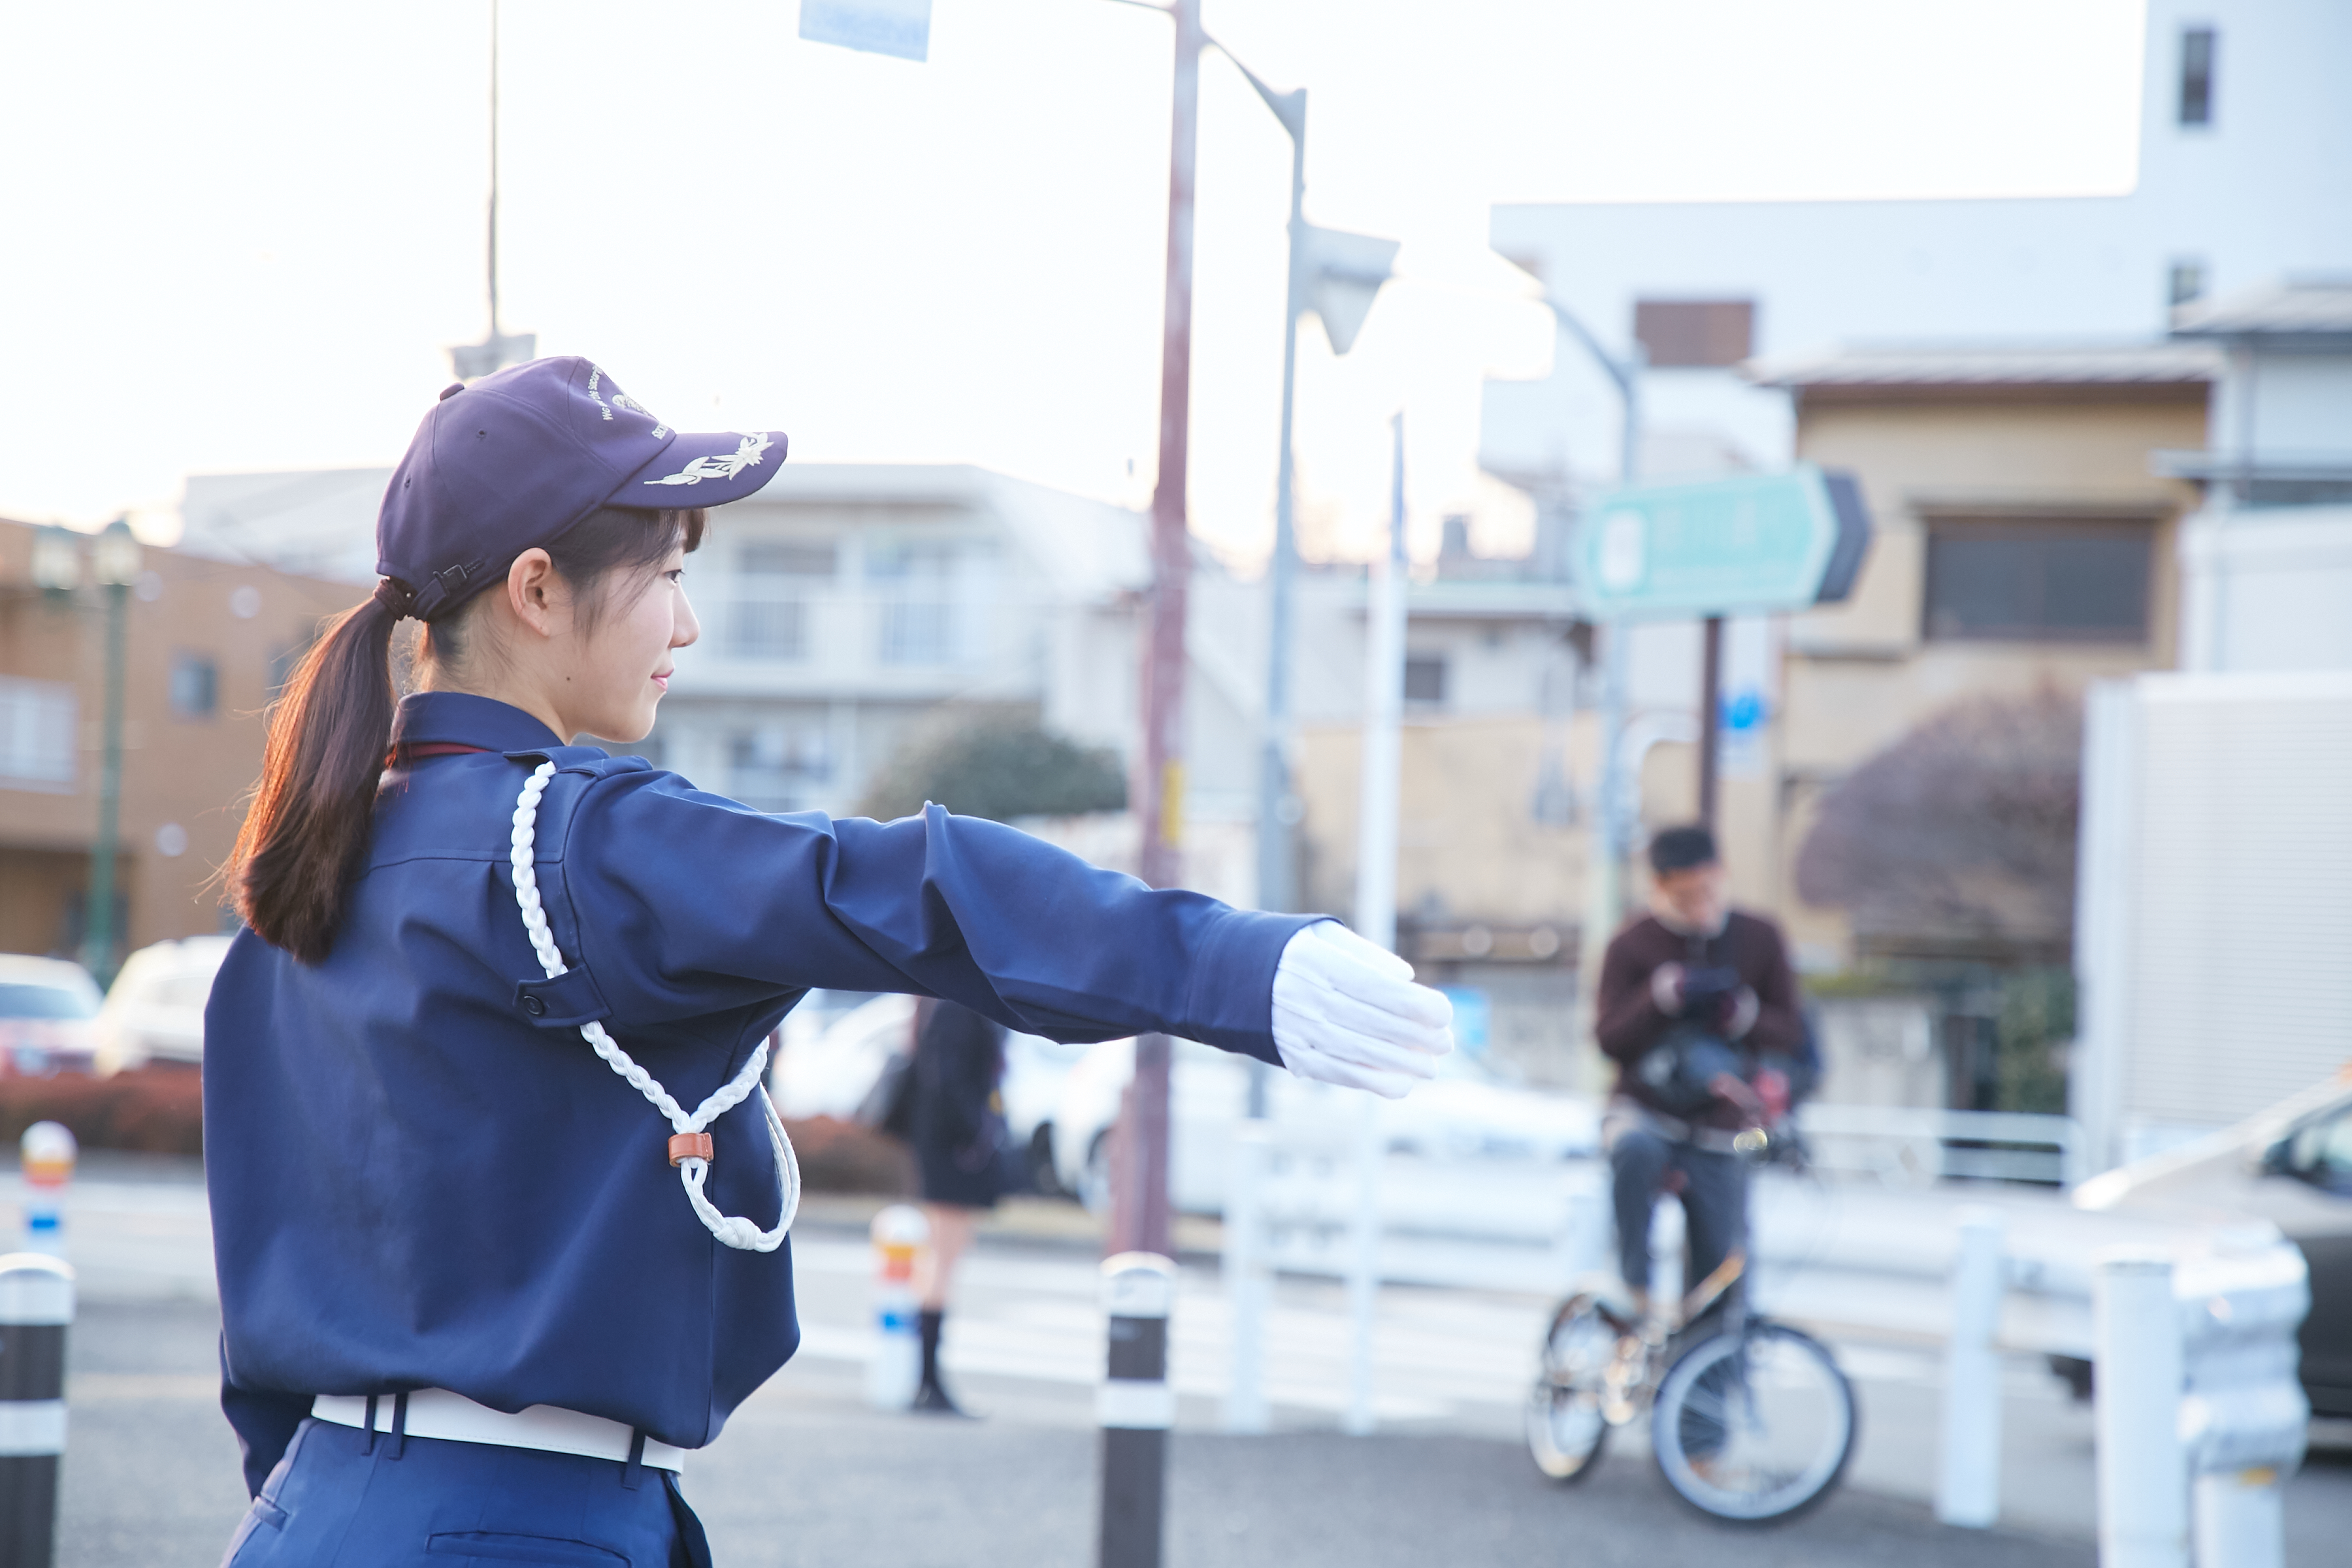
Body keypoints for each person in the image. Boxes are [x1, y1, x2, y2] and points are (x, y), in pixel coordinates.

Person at [204, 357, 1452, 1567]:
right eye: (669, 573)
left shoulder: (304, 879)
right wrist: (1239, 966)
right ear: (536, 591)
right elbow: (911, 886)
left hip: (313, 1511)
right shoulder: (582, 837)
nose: (686, 622)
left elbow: (260, 1311)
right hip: (527, 1518)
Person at [1593, 824, 1801, 1326]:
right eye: (1684, 895)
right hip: (1646, 1109)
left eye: (1708, 889)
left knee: (1721, 1276)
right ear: (1659, 887)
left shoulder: (1759, 937)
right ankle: (1632, 1293)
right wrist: (1658, 997)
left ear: (1722, 875)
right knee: (1633, 1152)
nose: (1699, 904)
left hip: (1721, 1124)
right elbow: (1608, 1039)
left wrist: (1742, 1014)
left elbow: (1793, 1030)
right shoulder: (1631, 943)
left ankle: (1704, 1390)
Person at [904, 998, 1011, 1416]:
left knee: (943, 1258)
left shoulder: (948, 1004)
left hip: (950, 1146)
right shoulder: (958, 1005)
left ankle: (928, 1379)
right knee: (943, 1260)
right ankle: (928, 1381)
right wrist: (977, 1132)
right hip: (954, 1150)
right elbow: (947, 1080)